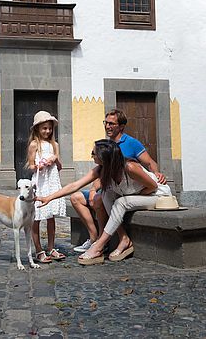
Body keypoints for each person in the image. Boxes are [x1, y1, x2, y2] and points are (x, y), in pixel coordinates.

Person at [37, 139, 171, 265]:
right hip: (138, 196)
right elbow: (75, 186)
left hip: (157, 196)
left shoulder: (129, 167)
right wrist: (49, 197)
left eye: (93, 153)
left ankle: (99, 245)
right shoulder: (102, 170)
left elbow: (153, 186)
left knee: (121, 202)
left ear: (104, 157)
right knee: (105, 194)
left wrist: (133, 196)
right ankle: (123, 238)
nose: (91, 156)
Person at [72, 109, 167, 257]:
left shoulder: (131, 144)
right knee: (81, 197)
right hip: (117, 188)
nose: (107, 127)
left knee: (105, 199)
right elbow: (101, 173)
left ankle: (102, 244)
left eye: (111, 124)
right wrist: (92, 189)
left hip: (135, 189)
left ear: (121, 126)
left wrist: (156, 174)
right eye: (106, 123)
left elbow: (150, 163)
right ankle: (97, 239)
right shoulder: (106, 146)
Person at [27, 110, 66, 263]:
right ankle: (38, 249)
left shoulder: (54, 144)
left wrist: (54, 160)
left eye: (49, 128)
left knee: (51, 216)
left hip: (52, 181)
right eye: (44, 128)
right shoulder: (34, 145)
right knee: (36, 217)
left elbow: (60, 166)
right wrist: (38, 165)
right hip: (40, 181)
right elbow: (30, 165)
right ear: (37, 128)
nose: (47, 131)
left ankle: (51, 247)